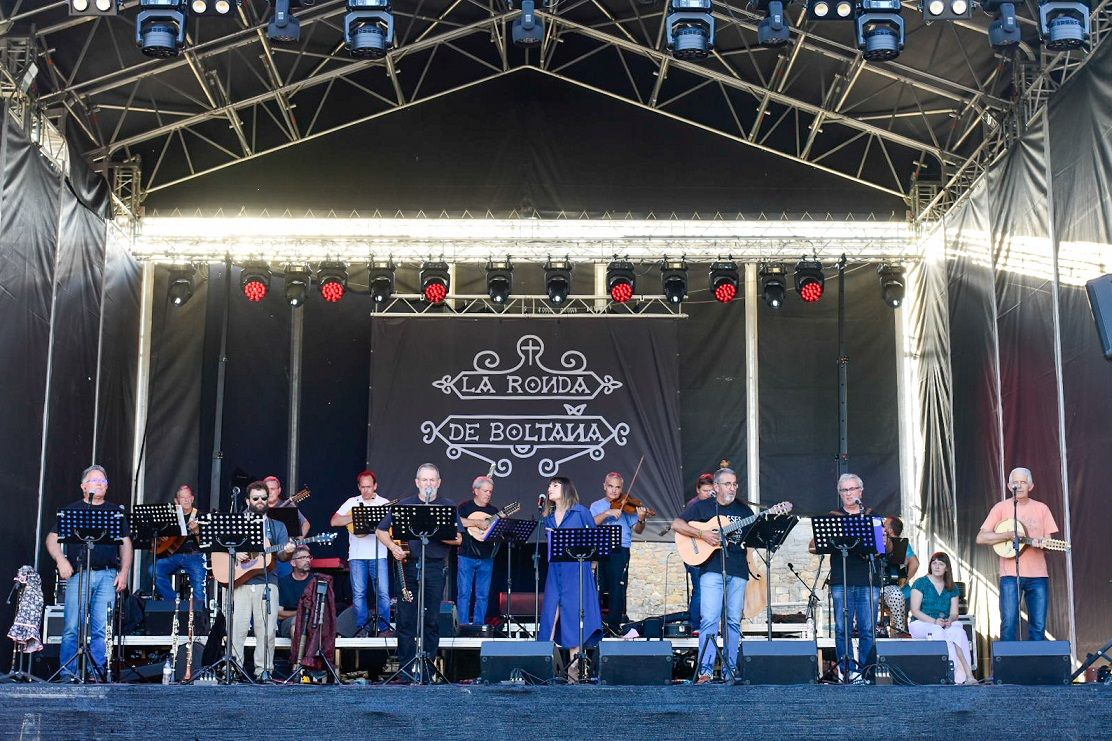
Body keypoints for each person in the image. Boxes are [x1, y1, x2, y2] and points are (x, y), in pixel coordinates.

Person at [45, 465, 133, 681]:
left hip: (107, 575)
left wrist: (124, 572)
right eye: (95, 481)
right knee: (72, 627)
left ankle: (96, 674)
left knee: (101, 629)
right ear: (83, 486)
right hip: (79, 573)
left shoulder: (114, 512)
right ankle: (68, 674)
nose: (100, 485)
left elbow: (126, 544)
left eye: (103, 482)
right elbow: (51, 539)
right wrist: (61, 559)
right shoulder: (72, 510)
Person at [377, 463, 462, 683]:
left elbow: (458, 538)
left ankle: (427, 670)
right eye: (424, 480)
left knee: (431, 620)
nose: (428, 484)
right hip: (408, 566)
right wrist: (394, 548)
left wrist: (436, 532)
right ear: (417, 482)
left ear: (439, 483)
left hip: (435, 567)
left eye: (432, 480)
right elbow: (380, 530)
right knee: (406, 619)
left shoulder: (447, 505)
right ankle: (405, 671)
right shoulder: (404, 504)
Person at [672, 468, 753, 684]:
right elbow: (676, 524)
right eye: (727, 484)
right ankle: (705, 671)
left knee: (734, 621)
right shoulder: (702, 506)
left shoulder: (744, 510)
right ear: (716, 487)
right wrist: (702, 534)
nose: (732, 488)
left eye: (735, 484)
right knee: (709, 619)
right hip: (711, 570)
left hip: (738, 569)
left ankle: (730, 670)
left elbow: (754, 537)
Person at [809, 472, 880, 682]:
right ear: (839, 493)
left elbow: (884, 548)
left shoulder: (870, 515)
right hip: (841, 579)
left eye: (852, 489)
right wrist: (824, 545)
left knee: (868, 629)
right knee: (842, 629)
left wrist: (882, 538)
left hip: (868, 580)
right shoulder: (833, 517)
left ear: (861, 491)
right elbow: (813, 546)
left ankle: (868, 672)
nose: (848, 494)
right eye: (844, 490)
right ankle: (847, 671)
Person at [975, 467, 1059, 641]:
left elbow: (1049, 543)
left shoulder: (1042, 508)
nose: (1019, 486)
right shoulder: (1001, 508)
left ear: (1031, 486)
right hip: (1010, 575)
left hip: (1038, 575)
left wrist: (1041, 544)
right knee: (1009, 622)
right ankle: (1008, 666)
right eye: (1015, 482)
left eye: (1023, 482)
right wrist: (1007, 535)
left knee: (1038, 625)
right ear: (1008, 485)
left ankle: (1036, 665)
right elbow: (981, 537)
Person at [230, 481, 296, 681]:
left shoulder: (277, 526)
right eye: (256, 498)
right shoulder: (235, 522)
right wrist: (235, 552)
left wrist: (288, 551)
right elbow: (219, 547)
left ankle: (263, 671)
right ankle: (235, 669)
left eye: (264, 498)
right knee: (238, 630)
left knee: (266, 631)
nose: (260, 502)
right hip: (240, 581)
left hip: (267, 581)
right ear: (247, 500)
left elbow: (283, 557)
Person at [539, 476, 603, 680]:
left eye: (555, 485)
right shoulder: (548, 516)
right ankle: (543, 666)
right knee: (550, 614)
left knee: (574, 616)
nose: (550, 488)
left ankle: (574, 671)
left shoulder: (580, 511)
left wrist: (591, 567)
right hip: (555, 571)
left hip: (576, 571)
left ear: (565, 489)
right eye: (549, 485)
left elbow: (596, 542)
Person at [330, 470, 392, 636]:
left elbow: (392, 529)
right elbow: (334, 521)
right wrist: (356, 516)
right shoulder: (352, 502)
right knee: (358, 594)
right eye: (363, 487)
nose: (366, 490)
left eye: (369, 487)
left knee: (383, 593)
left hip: (379, 555)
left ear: (375, 486)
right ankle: (362, 629)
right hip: (357, 556)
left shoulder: (384, 503)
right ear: (359, 487)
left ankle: (384, 629)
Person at [589, 472, 647, 634]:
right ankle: (595, 625)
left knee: (618, 588)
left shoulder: (627, 505)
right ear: (604, 486)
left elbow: (639, 530)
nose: (614, 491)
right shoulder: (596, 506)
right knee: (597, 587)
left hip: (620, 549)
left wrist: (641, 519)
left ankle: (614, 626)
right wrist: (607, 513)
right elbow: (590, 523)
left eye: (618, 487)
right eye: (611, 486)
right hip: (600, 548)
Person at [908, 552, 977, 684]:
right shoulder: (920, 583)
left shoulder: (952, 587)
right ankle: (948, 672)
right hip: (920, 623)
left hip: (943, 624)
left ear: (947, 568)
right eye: (934, 563)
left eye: (941, 564)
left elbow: (954, 613)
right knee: (937, 631)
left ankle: (967, 675)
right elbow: (915, 611)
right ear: (930, 566)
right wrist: (935, 622)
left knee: (958, 632)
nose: (937, 567)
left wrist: (949, 620)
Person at [456, 475, 499, 626]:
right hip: (467, 555)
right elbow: (456, 522)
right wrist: (477, 523)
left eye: (490, 492)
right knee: (464, 593)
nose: (488, 494)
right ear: (476, 490)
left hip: (487, 556)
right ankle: (462, 625)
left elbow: (496, 532)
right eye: (486, 491)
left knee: (483, 595)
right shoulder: (464, 507)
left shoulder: (493, 511)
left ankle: (479, 625)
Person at [154, 484, 207, 605]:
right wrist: (162, 537)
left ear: (193, 498)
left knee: (199, 583)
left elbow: (205, 546)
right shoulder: (170, 517)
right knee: (154, 570)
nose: (186, 500)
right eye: (183, 498)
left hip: (194, 556)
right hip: (172, 556)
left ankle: (198, 613)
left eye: (189, 497)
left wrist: (197, 532)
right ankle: (174, 603)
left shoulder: (200, 516)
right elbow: (158, 540)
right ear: (176, 500)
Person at [879, 515, 919, 637]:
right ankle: (897, 644)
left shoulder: (898, 544)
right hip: (903, 593)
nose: (881, 526)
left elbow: (915, 563)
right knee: (900, 627)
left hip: (892, 592)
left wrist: (904, 581)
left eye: (884, 525)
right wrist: (905, 581)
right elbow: (915, 563)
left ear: (890, 530)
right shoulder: (904, 545)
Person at [685, 473, 715, 632]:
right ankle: (694, 625)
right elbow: (684, 527)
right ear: (698, 489)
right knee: (700, 589)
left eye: (712, 491)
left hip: (708, 554)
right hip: (694, 551)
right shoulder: (693, 505)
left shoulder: (714, 506)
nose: (709, 494)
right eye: (705, 491)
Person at [278, 546, 314, 638]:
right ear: (293, 562)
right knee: (296, 624)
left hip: (312, 621)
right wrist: (300, 613)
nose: (307, 561)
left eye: (308, 557)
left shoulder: (315, 581)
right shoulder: (283, 582)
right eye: (302, 558)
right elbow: (279, 614)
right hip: (289, 622)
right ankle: (299, 652)